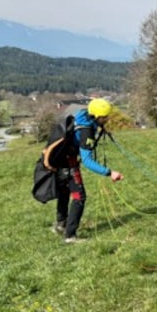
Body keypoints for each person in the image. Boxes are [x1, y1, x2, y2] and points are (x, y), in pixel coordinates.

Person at [53, 98, 124, 243]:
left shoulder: (83, 116)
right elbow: (87, 161)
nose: (107, 119)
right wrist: (110, 173)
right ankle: (70, 236)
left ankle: (60, 225)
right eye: (105, 117)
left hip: (60, 160)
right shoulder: (86, 131)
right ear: (97, 117)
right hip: (68, 162)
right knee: (79, 196)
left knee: (65, 191)